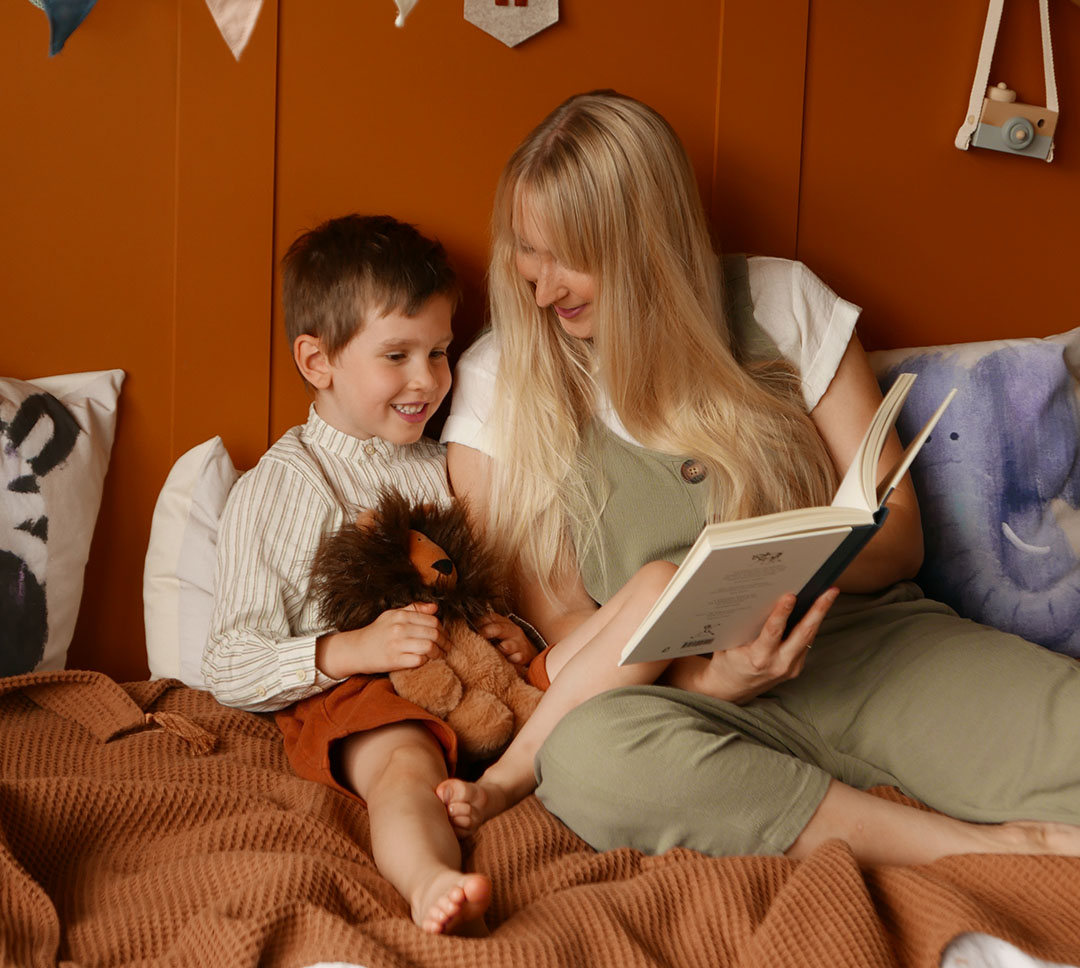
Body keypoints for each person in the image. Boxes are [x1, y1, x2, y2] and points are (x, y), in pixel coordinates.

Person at [435, 90, 1080, 866]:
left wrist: (772, 579)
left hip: (869, 648)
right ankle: (984, 851)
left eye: (569, 254)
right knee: (585, 760)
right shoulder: (500, 378)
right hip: (677, 698)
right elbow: (564, 629)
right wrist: (720, 679)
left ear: (646, 241)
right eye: (525, 251)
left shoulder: (783, 300)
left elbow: (899, 534)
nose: (541, 289)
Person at [203, 214, 532, 936]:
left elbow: (464, 584)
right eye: (397, 355)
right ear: (318, 362)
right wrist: (351, 651)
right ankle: (430, 882)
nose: (428, 380)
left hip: (457, 672)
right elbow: (228, 662)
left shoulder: (438, 463)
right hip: (354, 693)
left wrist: (505, 634)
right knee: (405, 765)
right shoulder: (282, 487)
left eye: (441, 352)